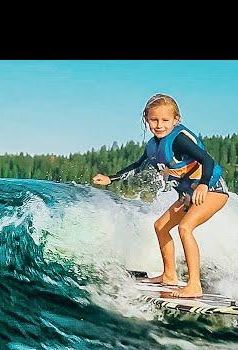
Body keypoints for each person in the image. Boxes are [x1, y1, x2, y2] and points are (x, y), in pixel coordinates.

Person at [92, 93, 228, 299]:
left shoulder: (179, 140)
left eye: (165, 120)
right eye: (154, 120)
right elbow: (138, 166)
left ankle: (194, 285)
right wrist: (111, 179)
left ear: (176, 120)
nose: (159, 125)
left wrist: (202, 186)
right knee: (161, 226)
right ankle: (169, 275)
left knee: (185, 228)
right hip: (188, 194)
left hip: (212, 189)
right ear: (146, 119)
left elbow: (207, 160)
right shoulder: (154, 147)